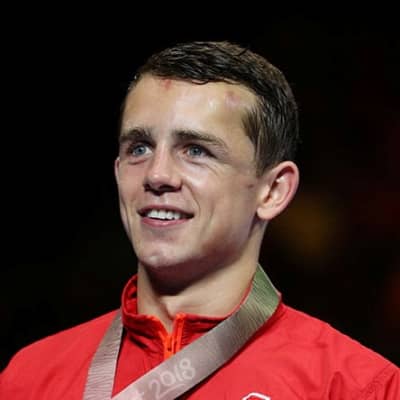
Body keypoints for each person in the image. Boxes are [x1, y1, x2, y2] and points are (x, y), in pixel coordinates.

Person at [0, 40, 398, 399]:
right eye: (139, 148)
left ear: (273, 191)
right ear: (118, 170)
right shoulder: (29, 379)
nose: (157, 175)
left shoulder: (355, 387)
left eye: (195, 151)